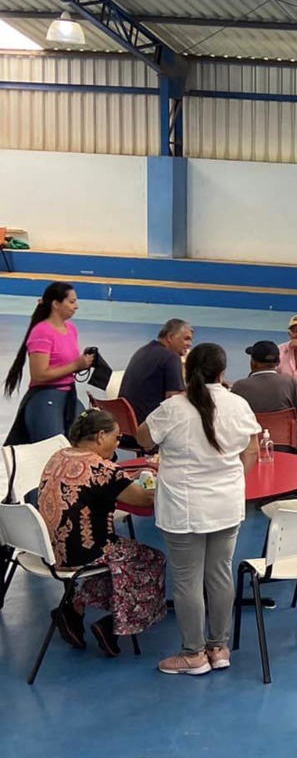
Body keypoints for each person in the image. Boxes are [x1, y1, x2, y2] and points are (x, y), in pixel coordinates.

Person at [137, 343, 261, 677]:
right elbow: (251, 450)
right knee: (220, 573)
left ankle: (193, 653)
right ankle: (219, 648)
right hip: (226, 504)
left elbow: (143, 439)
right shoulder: (238, 404)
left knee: (188, 579)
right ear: (222, 371)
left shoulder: (172, 408)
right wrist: (232, 479)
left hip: (184, 507)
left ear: (187, 371)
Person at [36, 409, 167, 657]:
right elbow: (144, 499)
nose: (118, 443)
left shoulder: (60, 455)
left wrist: (125, 478)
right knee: (151, 560)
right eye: (116, 437)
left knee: (117, 562)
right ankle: (112, 627)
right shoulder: (102, 469)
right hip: (86, 553)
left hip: (50, 548)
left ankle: (74, 608)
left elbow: (95, 485)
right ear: (99, 436)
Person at [4, 281, 92, 443]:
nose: (76, 306)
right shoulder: (42, 332)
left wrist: (83, 364)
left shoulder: (71, 329)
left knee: (85, 437)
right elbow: (39, 374)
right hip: (46, 395)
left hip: (69, 393)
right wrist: (75, 365)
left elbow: (66, 364)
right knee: (52, 445)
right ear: (56, 304)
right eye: (71, 302)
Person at [231, 341, 297, 452]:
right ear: (278, 362)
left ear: (253, 362)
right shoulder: (291, 383)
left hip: (248, 450)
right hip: (286, 450)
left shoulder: (239, 386)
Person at [120, 318, 193, 422]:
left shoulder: (142, 351)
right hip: (148, 424)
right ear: (170, 337)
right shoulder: (171, 357)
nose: (189, 344)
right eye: (186, 339)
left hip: (126, 422)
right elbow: (174, 402)